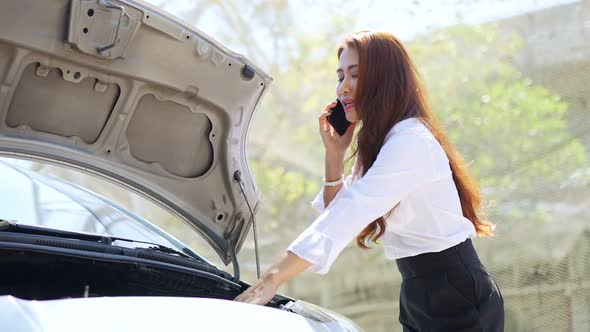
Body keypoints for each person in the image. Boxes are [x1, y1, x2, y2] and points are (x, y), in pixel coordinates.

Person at [235, 30, 505, 331]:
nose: (343, 88)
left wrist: (273, 278)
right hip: (418, 290)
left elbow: (349, 212)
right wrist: (334, 156)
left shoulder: (409, 142)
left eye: (355, 75)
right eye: (340, 77)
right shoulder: (380, 144)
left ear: (384, 80)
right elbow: (334, 214)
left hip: (457, 292)